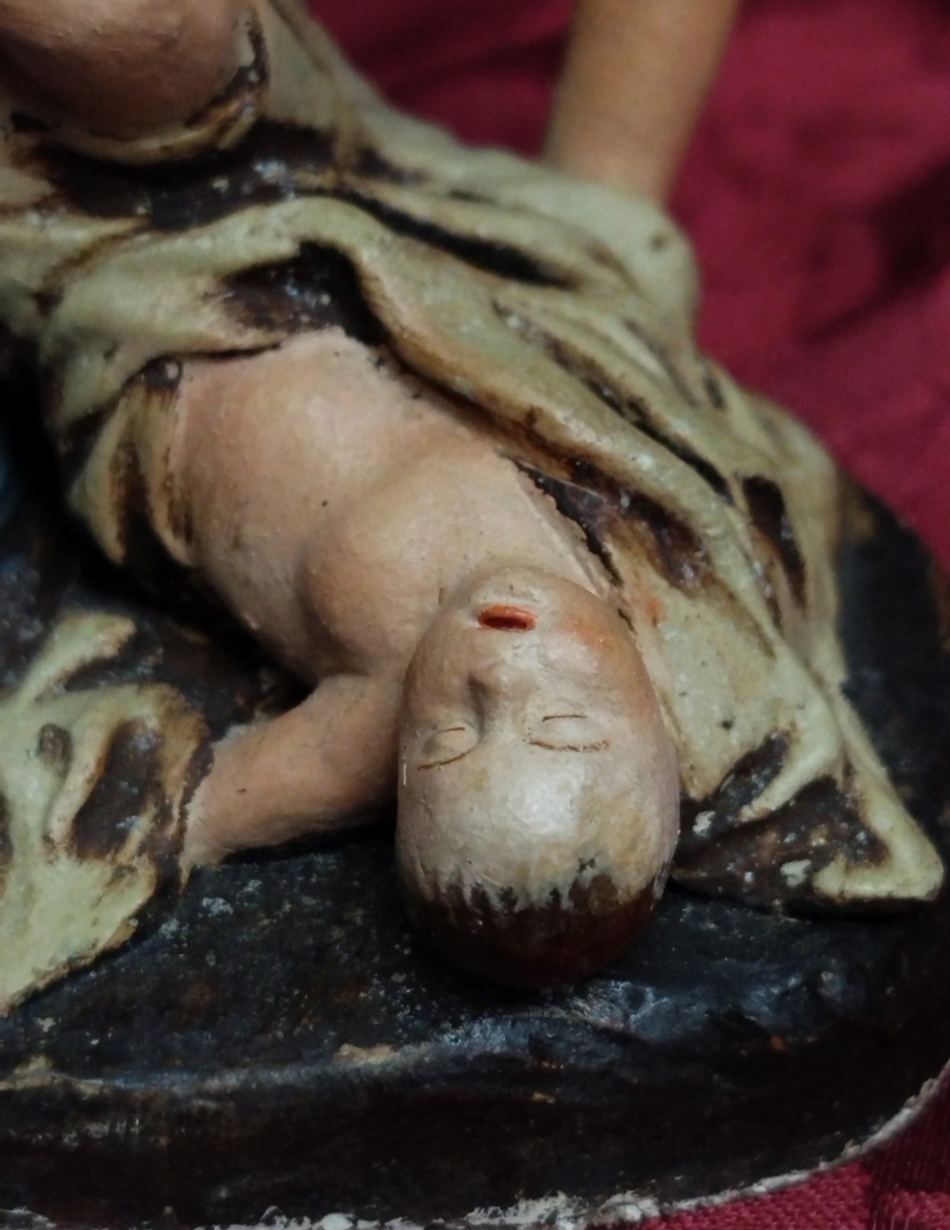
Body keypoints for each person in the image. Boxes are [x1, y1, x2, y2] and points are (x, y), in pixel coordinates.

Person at [0, 0, 940, 996]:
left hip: (148, 302)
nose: (497, 671)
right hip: (330, 200)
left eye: (451, 740)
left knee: (114, 30)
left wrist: (109, 839)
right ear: (670, 738)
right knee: (155, 33)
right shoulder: (669, 573)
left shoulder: (371, 724)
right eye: (563, 724)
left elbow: (204, 809)